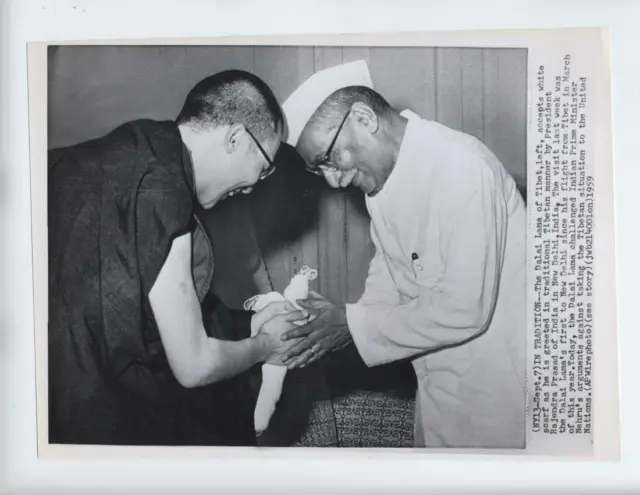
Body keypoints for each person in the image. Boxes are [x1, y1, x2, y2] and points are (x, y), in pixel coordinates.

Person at [47, 69, 310, 446]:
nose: (253, 186)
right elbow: (194, 366)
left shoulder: (124, 149)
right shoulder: (166, 190)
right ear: (236, 138)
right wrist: (266, 345)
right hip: (91, 415)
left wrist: (249, 323)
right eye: (265, 167)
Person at [278, 61, 526, 449]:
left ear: (363, 118)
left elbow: (464, 309)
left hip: (498, 400)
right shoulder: (386, 182)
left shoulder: (459, 166)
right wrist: (336, 324)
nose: (333, 179)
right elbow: (390, 272)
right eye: (318, 171)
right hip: (441, 397)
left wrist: (353, 324)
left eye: (330, 157)